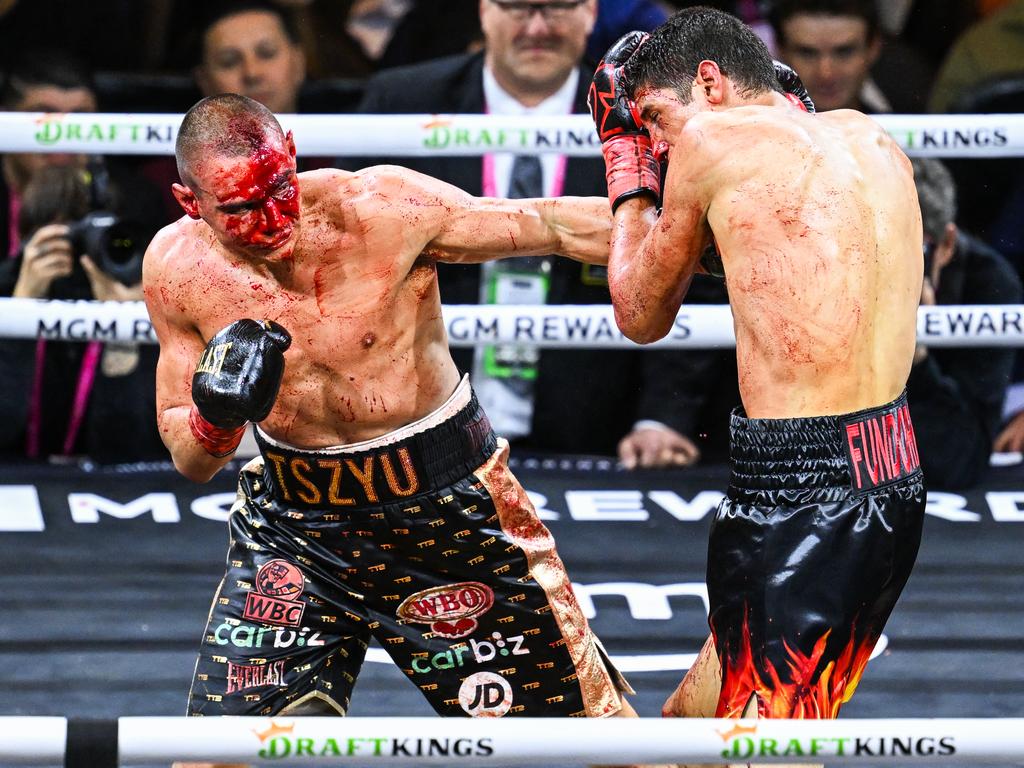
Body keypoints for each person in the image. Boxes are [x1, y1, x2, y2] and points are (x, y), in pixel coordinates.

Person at [144, 94, 640, 750]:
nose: (270, 220)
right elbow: (190, 457)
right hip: (296, 530)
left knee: (599, 746)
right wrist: (216, 415)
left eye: (280, 191)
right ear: (190, 202)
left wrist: (697, 233)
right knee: (211, 755)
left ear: (292, 154)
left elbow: (547, 222)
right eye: (240, 209)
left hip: (448, 511)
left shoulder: (383, 208)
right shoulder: (177, 270)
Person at [588, 5, 926, 744]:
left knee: (763, 744)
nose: (655, 142)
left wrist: (629, 176)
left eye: (653, 118)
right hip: (893, 470)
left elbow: (640, 313)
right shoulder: (873, 141)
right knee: (690, 728)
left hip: (801, 490)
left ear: (708, 83)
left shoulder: (712, 140)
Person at [350, 0, 703, 467]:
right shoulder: (403, 103)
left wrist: (660, 420)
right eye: (518, 7)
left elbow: (686, 264)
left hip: (597, 431)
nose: (538, 27)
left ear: (591, 12)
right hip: (421, 431)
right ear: (483, 10)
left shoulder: (645, 113)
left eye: (556, 7)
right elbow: (352, 264)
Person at [0, 52, 167, 463]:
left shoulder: (135, 208)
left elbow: (140, 459)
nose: (64, 136)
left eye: (79, 119)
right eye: (45, 118)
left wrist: (123, 334)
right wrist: (18, 303)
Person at [906, 158, 1021, 490]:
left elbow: (961, 464)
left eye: (910, 249)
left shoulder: (988, 284)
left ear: (946, 247)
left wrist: (916, 359)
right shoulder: (827, 273)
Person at [769, 0, 931, 114]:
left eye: (844, 52)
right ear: (779, 49)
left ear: (873, 47)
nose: (826, 73)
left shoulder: (910, 116)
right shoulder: (754, 136)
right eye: (807, 53)